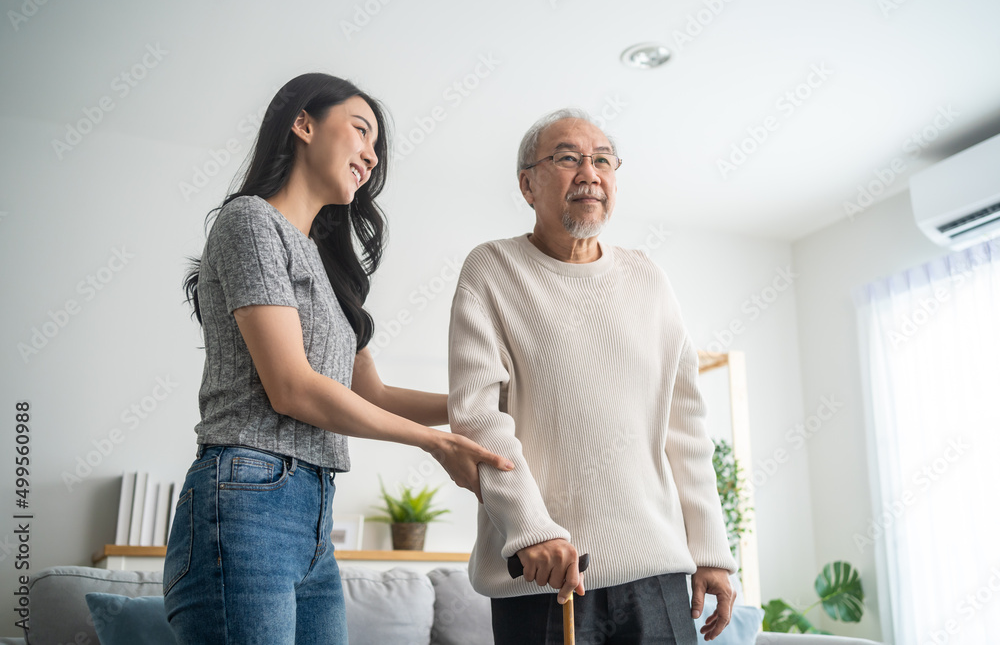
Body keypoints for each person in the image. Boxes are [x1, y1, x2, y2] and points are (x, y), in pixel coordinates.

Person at [163, 72, 513, 645]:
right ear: (303, 124)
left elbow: (372, 394)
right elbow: (292, 389)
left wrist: (481, 403)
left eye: (376, 147)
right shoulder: (250, 221)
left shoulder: (329, 270)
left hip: (312, 516)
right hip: (246, 502)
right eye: (361, 131)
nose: (372, 157)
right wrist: (435, 442)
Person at [447, 108, 739, 644]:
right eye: (567, 158)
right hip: (543, 579)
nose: (589, 171)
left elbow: (686, 425)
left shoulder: (647, 277)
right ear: (526, 184)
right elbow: (477, 418)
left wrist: (710, 551)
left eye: (603, 159)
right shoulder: (491, 269)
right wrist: (529, 531)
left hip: (657, 577)